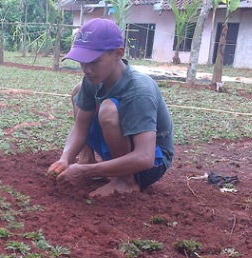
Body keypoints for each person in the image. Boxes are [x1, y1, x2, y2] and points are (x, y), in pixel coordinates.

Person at [48, 18, 174, 197]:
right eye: (82, 62)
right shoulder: (92, 80)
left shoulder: (139, 91)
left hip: (152, 163)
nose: (87, 69)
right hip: (123, 153)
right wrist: (65, 159)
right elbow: (80, 127)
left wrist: (87, 172)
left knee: (108, 109)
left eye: (94, 61)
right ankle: (86, 159)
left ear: (118, 53)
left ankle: (126, 181)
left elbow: (145, 158)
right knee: (79, 92)